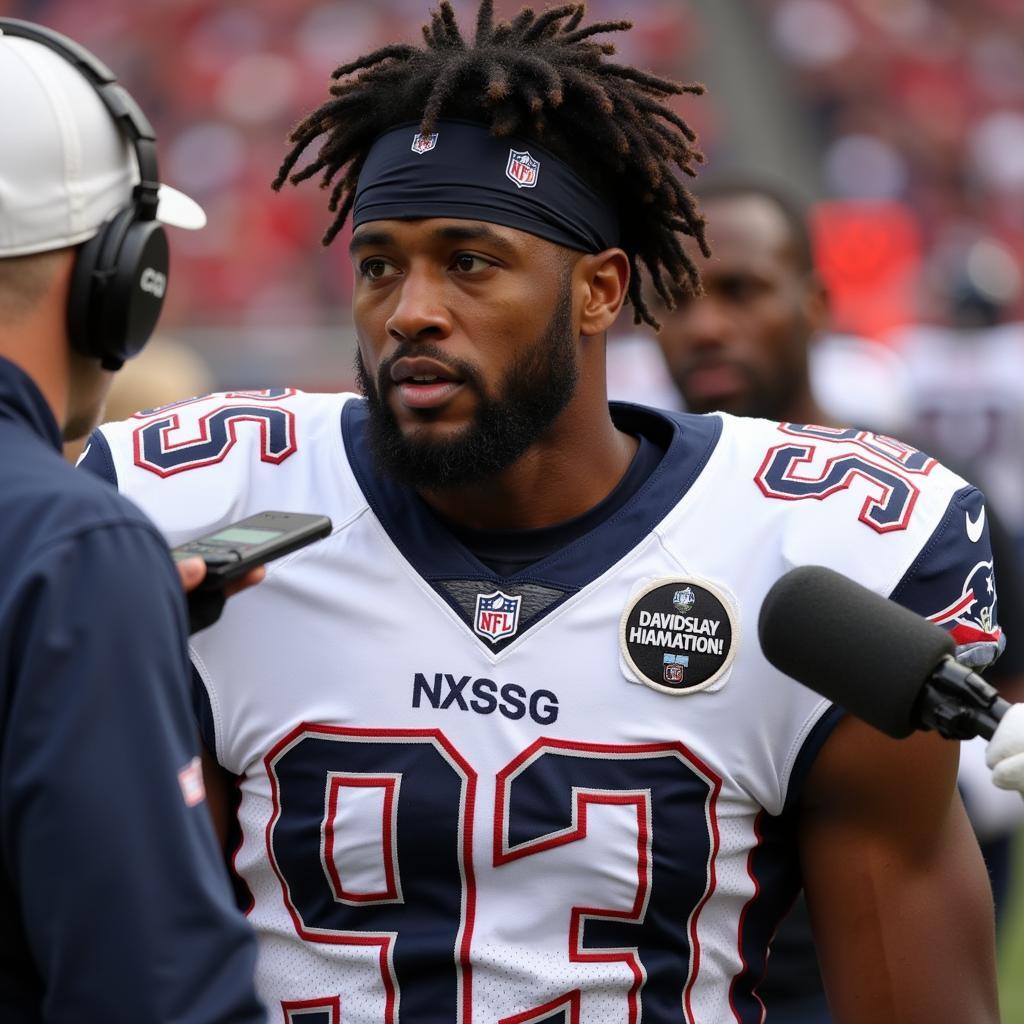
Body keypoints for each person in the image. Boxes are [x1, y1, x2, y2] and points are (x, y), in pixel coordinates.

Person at [82, 4, 1001, 1021]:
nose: (409, 310)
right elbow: (117, 958)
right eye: (379, 264)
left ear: (599, 291)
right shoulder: (213, 504)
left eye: (468, 262)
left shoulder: (814, 539)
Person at [642, 178, 1024, 1019]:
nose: (707, 326)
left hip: (870, 947)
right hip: (672, 969)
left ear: (814, 303)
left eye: (741, 290)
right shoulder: (604, 504)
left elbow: (1010, 691)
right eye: (677, 297)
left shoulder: (921, 504)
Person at [0, 20, 264, 1023]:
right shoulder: (72, 555)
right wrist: (85, 609)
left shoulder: (69, 568)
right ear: (123, 274)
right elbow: (155, 992)